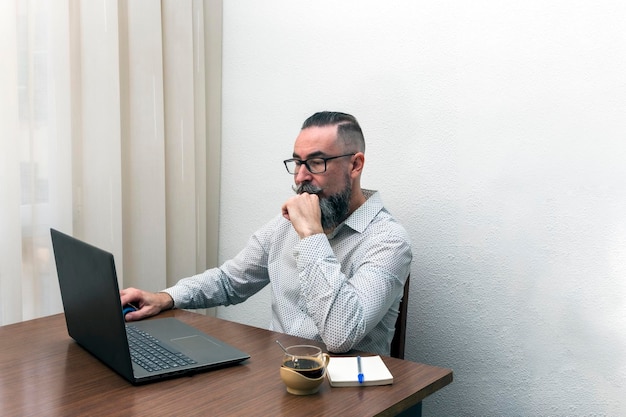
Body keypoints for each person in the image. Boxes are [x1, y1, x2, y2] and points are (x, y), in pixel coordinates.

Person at [120, 111, 412, 355]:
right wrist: (165, 297)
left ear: (355, 165)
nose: (300, 177)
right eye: (298, 162)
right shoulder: (285, 224)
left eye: (316, 162)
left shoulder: (388, 241)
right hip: (279, 375)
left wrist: (311, 236)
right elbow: (230, 281)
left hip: (347, 395)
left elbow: (341, 335)